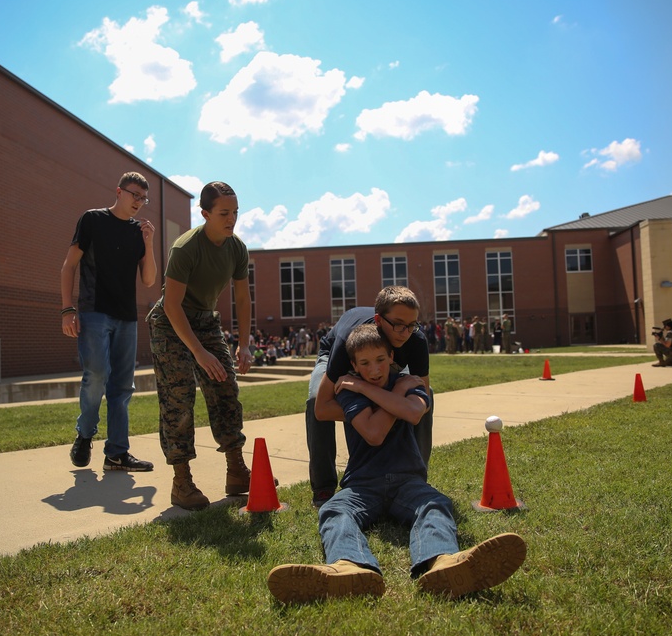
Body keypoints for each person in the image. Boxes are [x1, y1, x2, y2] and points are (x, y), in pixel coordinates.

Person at [267, 325, 527, 604]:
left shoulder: (407, 382)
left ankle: (443, 562)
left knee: (435, 505)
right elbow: (374, 434)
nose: (374, 370)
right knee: (334, 509)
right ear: (353, 365)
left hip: (407, 481)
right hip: (362, 484)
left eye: (380, 359)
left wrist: (383, 389)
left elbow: (414, 413)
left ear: (391, 356)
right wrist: (390, 393)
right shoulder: (349, 390)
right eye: (364, 364)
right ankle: (348, 566)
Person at [146, 181, 259, 511]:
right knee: (178, 396)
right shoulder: (186, 248)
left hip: (206, 321)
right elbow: (171, 305)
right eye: (224, 213)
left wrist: (244, 345)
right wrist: (198, 351)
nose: (231, 219)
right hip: (171, 322)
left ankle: (236, 471)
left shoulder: (237, 248)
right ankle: (181, 482)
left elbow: (242, 298)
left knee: (225, 387)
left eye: (235, 212)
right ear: (205, 213)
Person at [61, 171, 157, 472]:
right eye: (134, 195)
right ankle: (85, 434)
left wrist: (149, 243)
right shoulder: (92, 219)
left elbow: (149, 280)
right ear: (119, 192)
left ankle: (116, 453)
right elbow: (69, 265)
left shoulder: (137, 232)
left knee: (122, 386)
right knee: (97, 374)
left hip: (127, 317)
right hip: (94, 312)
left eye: (143, 198)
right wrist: (67, 309)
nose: (138, 202)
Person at [307, 286, 433, 508]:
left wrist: (377, 398)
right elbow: (322, 408)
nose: (405, 332)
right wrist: (371, 410)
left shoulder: (415, 340)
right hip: (344, 353)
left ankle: (416, 475)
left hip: (383, 357)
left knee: (425, 395)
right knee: (314, 398)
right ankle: (323, 485)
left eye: (411, 325)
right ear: (379, 320)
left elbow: (423, 401)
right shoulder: (347, 341)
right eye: (398, 324)